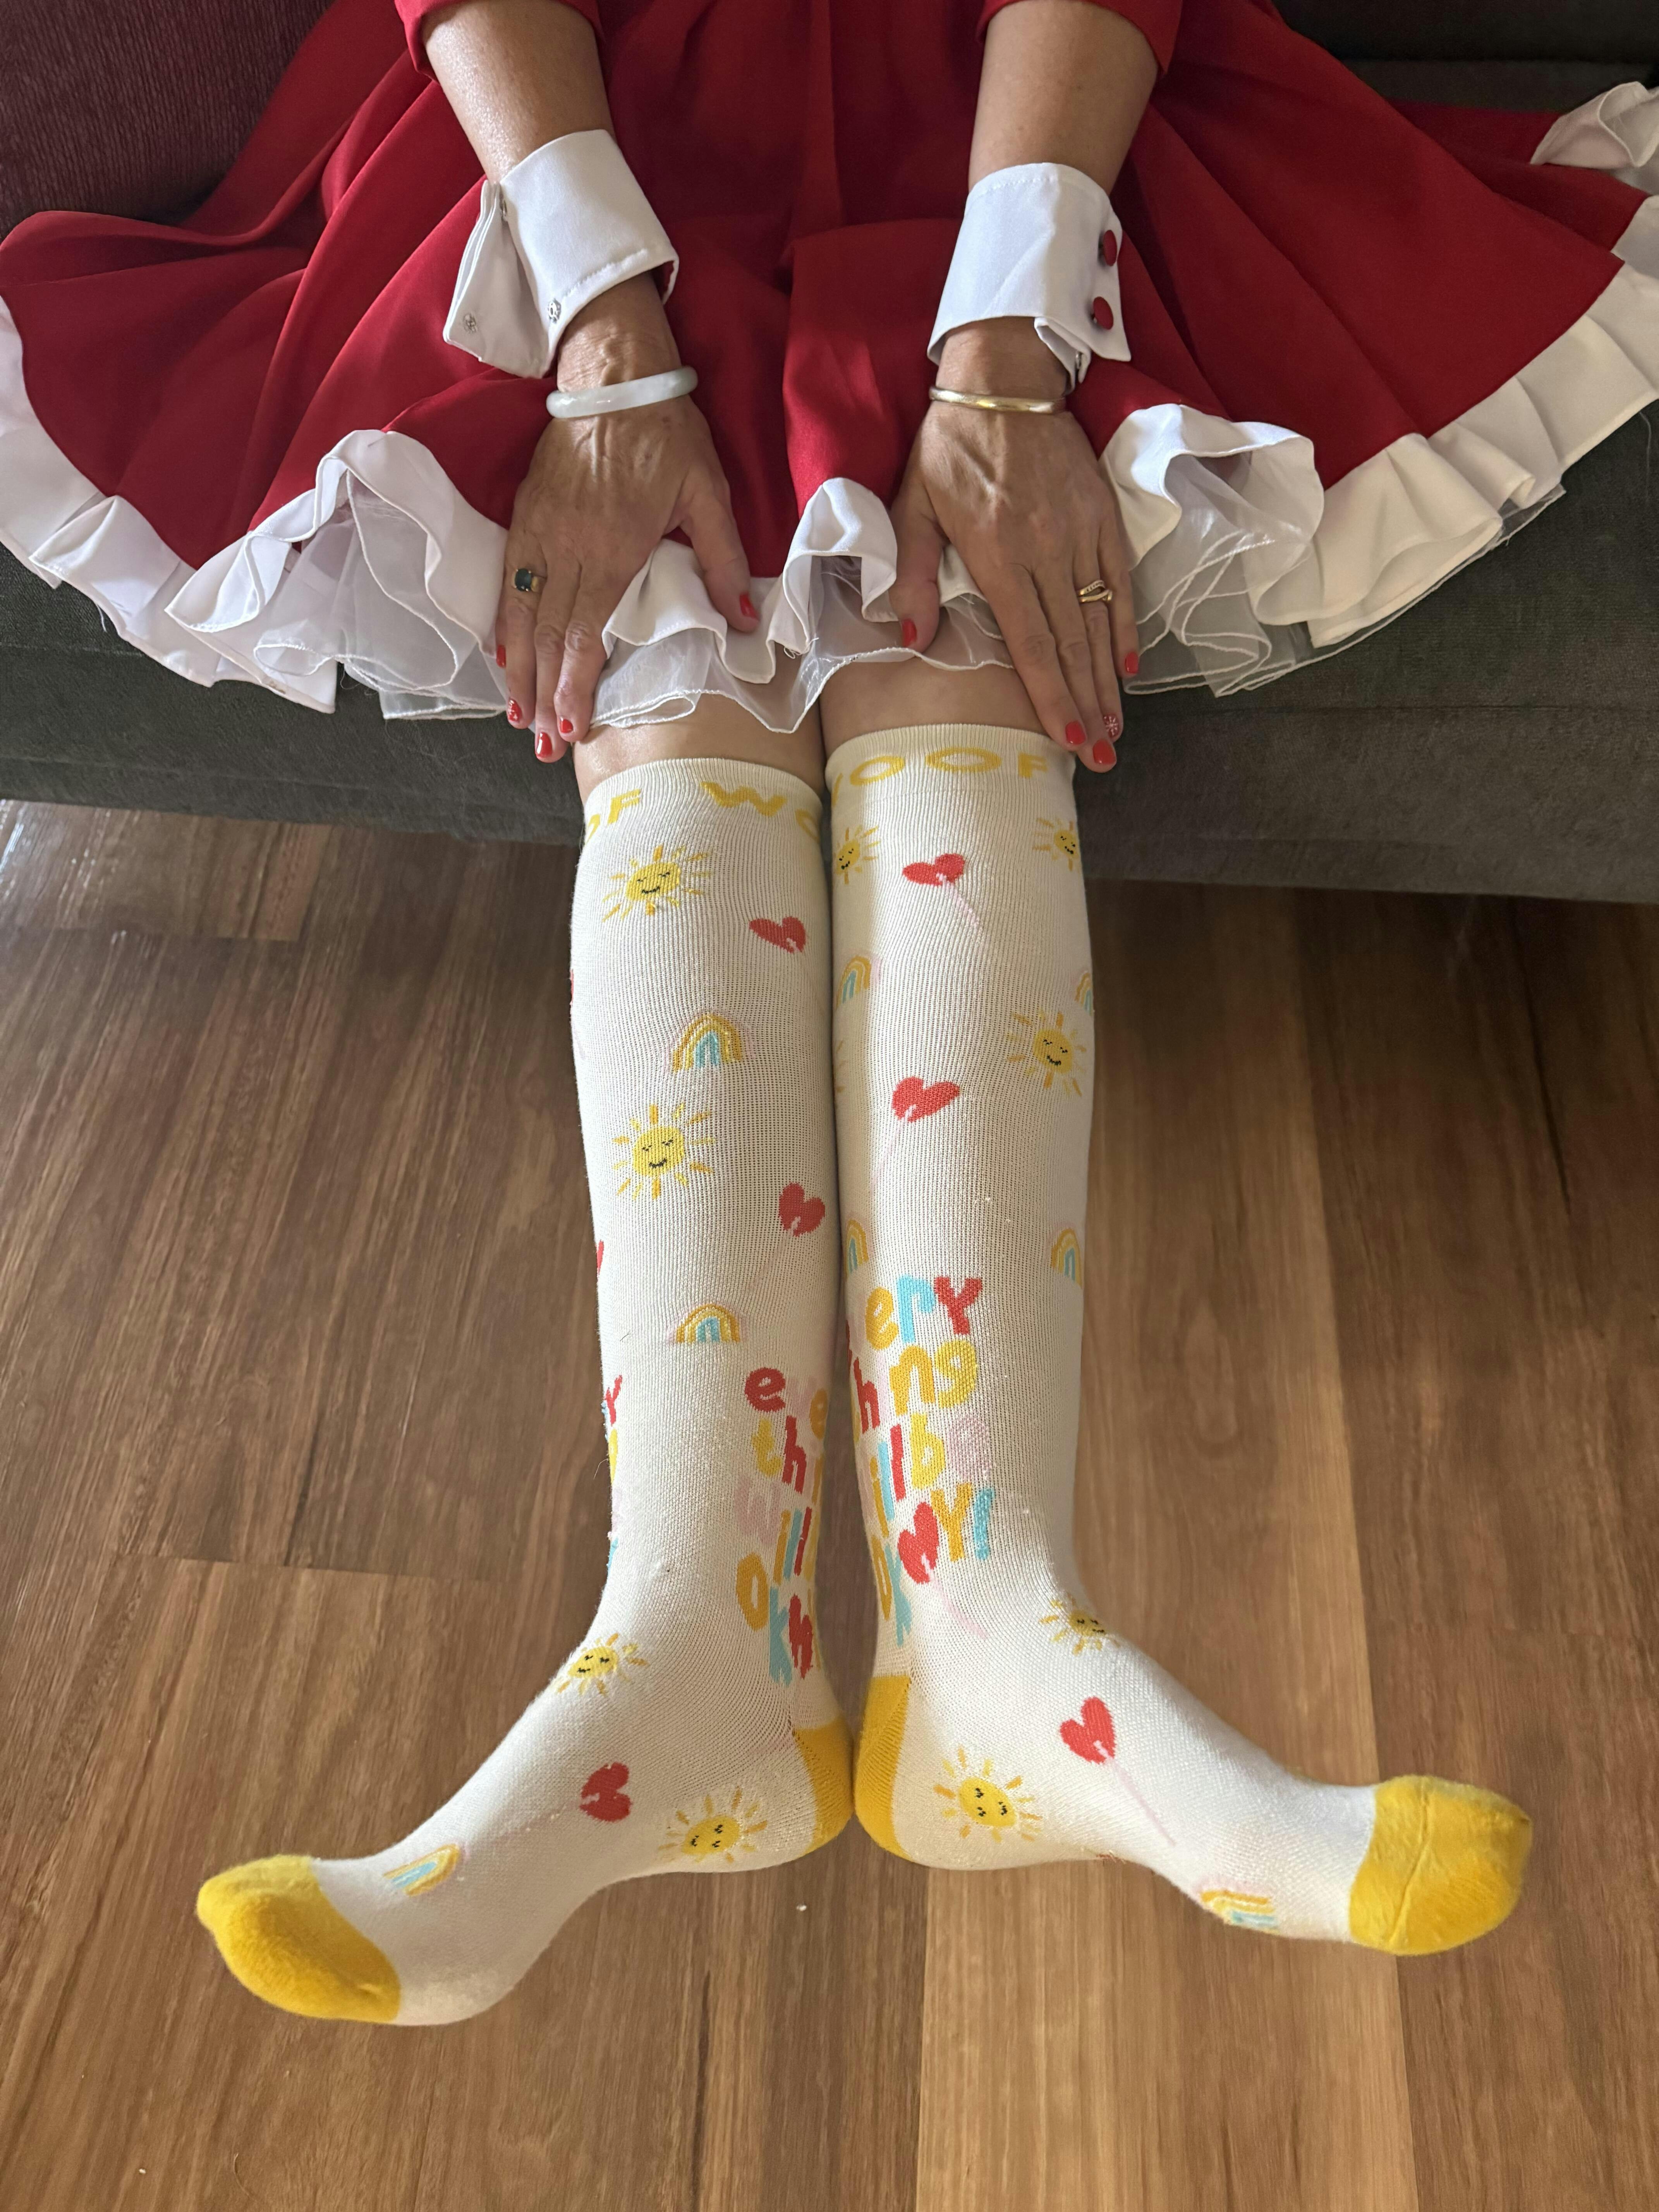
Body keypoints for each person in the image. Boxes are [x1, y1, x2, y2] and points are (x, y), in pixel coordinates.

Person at [3, 0, 1653, 2024]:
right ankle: (694, 1636)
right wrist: (605, 335)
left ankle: (992, 1629)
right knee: (670, 656)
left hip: (1007, 119)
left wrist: (1012, 345)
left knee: (960, 614)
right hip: (574, 133)